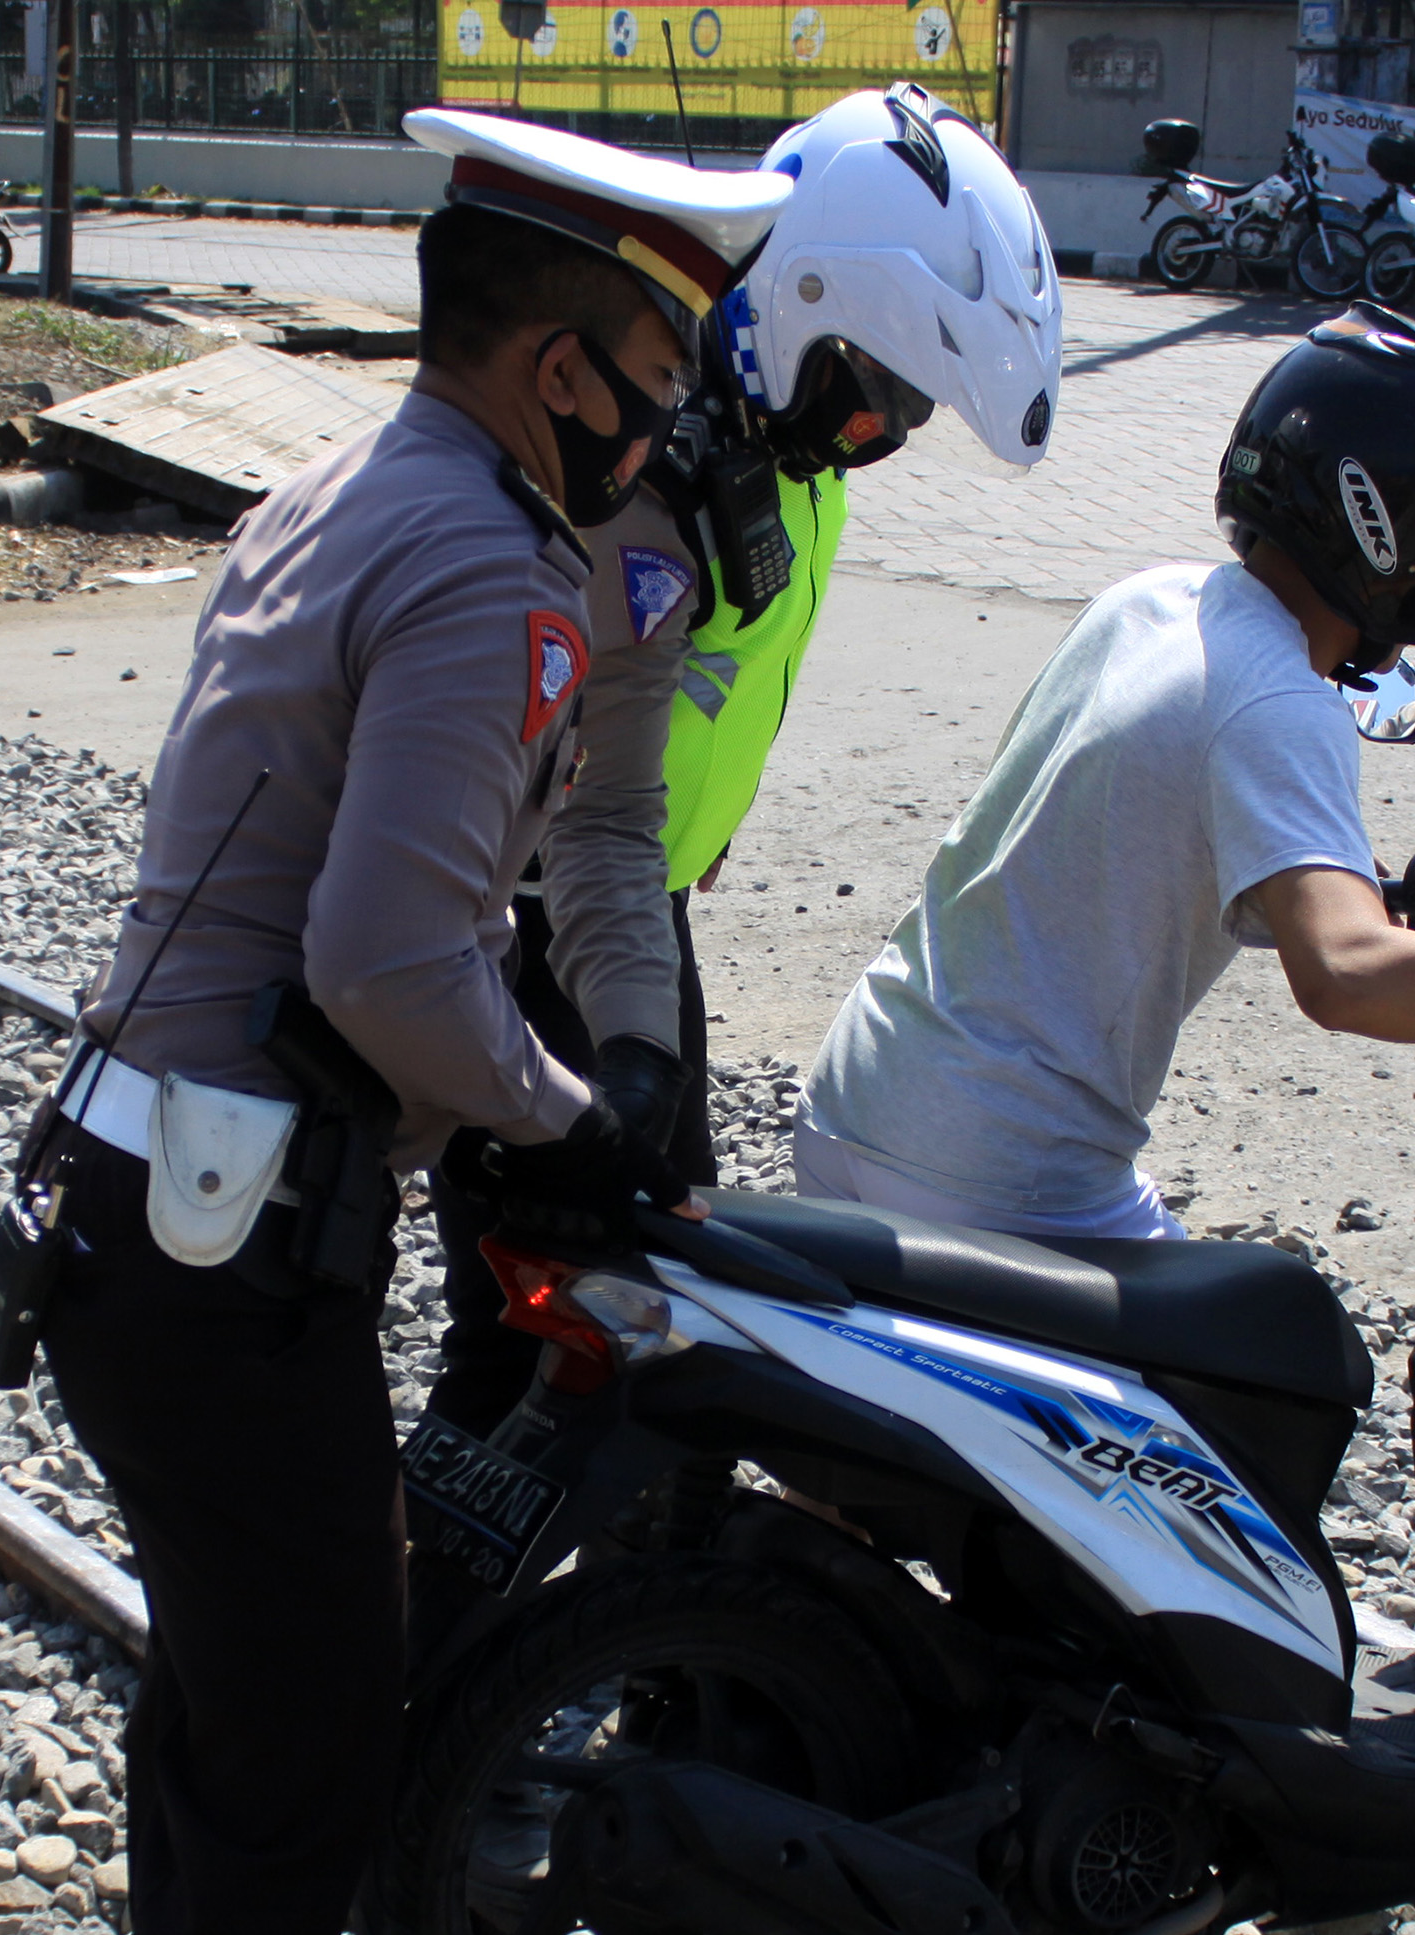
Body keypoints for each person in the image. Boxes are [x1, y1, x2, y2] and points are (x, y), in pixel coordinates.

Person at [5, 114, 787, 1935]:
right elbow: (385, 962)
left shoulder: (370, 486)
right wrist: (562, 1102)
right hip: (231, 1244)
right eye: (652, 362)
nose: (668, 413)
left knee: (237, 1742)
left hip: (149, 1204)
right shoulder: (493, 571)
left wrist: (543, 1073)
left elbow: (439, 896)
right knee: (293, 1782)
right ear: (557, 365)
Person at [794, 307, 1415, 1240]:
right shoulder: (1278, 699)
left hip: (864, 1094)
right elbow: (1347, 979)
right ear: (1388, 528)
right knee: (1285, 1375)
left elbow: (1116, 837)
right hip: (986, 1171)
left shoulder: (1154, 602)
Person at [412, 80, 1062, 1434]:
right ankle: (489, 1625)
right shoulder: (651, 475)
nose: (879, 437)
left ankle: (598, 1612)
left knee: (637, 1313)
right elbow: (574, 777)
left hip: (634, 908)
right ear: (805, 311)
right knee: (557, 1316)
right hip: (547, 931)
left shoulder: (782, 447)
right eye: (878, 398)